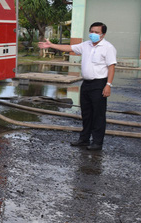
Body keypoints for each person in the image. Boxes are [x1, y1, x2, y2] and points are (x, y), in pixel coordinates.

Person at [39, 22, 117, 151]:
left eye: (97, 32)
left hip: (99, 84)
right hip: (86, 84)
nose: (93, 34)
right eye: (92, 31)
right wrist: (52, 45)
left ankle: (97, 142)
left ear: (103, 35)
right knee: (86, 113)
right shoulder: (85, 45)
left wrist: (108, 85)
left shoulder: (108, 48)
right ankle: (84, 139)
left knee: (98, 114)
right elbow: (69, 48)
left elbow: (111, 67)